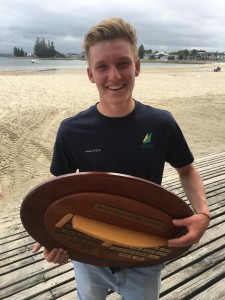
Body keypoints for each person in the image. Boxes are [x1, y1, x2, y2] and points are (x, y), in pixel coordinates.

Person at [33, 17, 210, 300]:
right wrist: (52, 240)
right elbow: (57, 193)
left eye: (123, 63)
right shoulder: (71, 130)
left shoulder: (161, 123)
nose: (114, 76)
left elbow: (187, 170)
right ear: (90, 73)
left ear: (137, 66)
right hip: (88, 252)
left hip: (145, 251)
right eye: (102, 66)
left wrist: (202, 214)